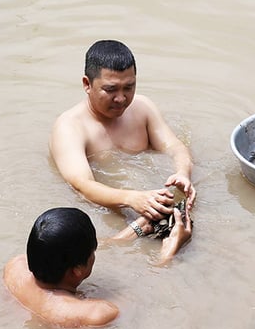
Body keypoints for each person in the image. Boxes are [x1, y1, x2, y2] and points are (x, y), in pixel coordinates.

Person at [49, 40, 196, 227]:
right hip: (114, 216)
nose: (121, 98)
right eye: (110, 89)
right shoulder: (69, 127)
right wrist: (131, 199)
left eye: (128, 87)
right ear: (87, 84)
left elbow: (174, 147)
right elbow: (82, 185)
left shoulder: (142, 108)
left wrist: (183, 173)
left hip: (152, 201)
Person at [3, 206, 192, 328]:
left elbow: (56, 249)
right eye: (93, 252)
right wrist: (167, 256)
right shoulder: (97, 314)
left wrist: (137, 228)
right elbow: (144, 298)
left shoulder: (15, 267)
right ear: (77, 271)